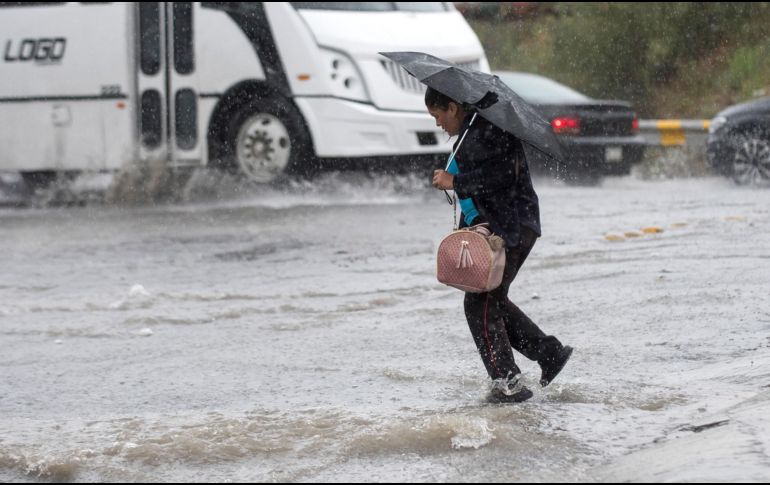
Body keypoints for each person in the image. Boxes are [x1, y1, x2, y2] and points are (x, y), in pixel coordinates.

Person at [426, 86, 573, 403]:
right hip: (511, 225)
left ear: (452, 107)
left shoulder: (485, 130)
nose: (438, 123)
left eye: (437, 115)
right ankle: (548, 353)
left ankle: (508, 384)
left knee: (480, 303)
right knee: (492, 301)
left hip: (511, 228)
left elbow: (501, 177)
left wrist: (456, 181)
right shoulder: (473, 131)